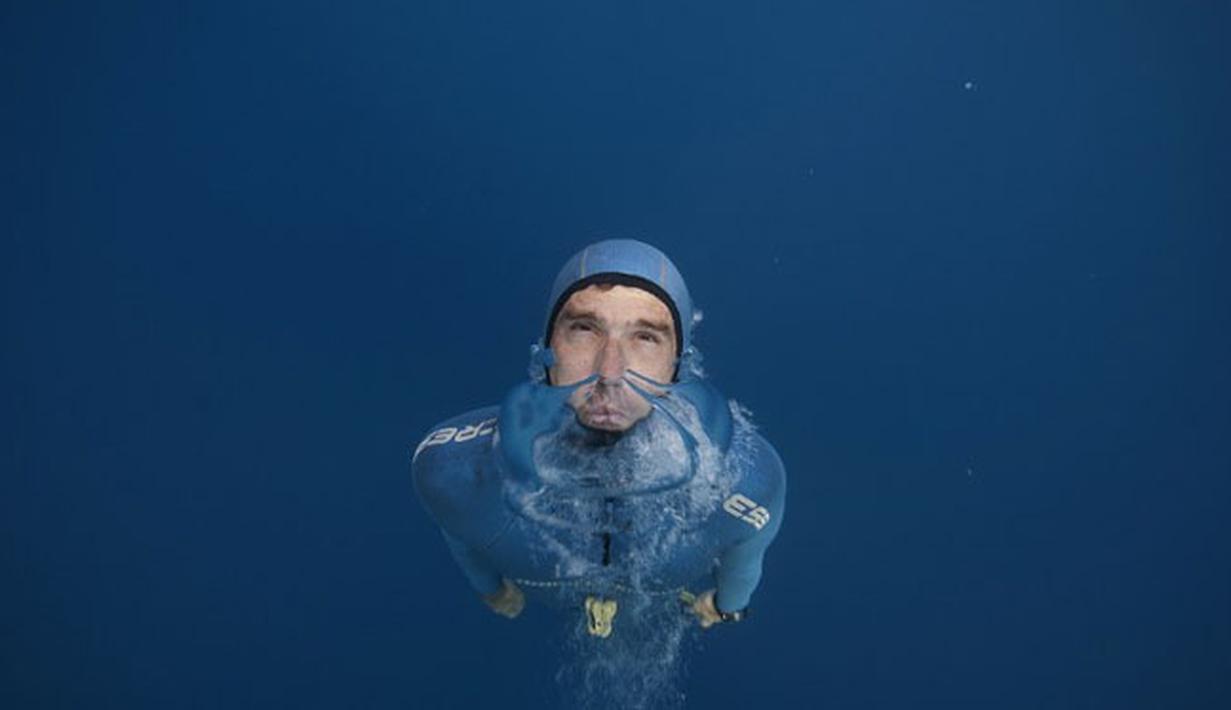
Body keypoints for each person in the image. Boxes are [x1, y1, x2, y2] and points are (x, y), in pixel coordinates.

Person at [411, 239, 785, 634]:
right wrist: (488, 588)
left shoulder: (749, 482)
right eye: (585, 329)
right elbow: (460, 534)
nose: (610, 372)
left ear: (678, 367)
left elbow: (747, 557)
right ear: (547, 349)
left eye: (645, 337)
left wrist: (731, 604)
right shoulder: (453, 471)